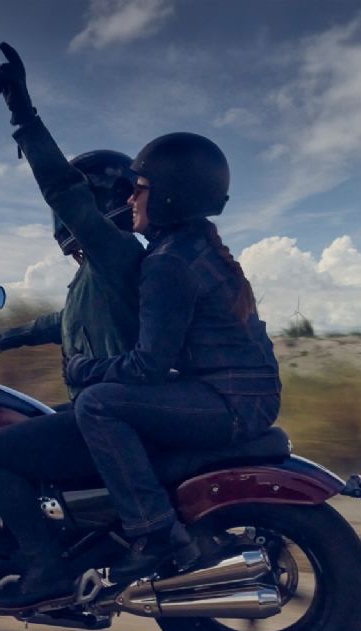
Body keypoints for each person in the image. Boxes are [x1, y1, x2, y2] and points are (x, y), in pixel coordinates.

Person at [0, 43, 145, 611]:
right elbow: (58, 322)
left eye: (77, 209)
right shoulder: (102, 272)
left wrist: (23, 112)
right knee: (36, 424)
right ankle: (66, 544)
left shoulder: (117, 253)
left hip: (113, 416)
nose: (64, 222)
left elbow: (64, 192)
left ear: (99, 205)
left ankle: (44, 569)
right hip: (112, 410)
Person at [67, 132, 282, 583]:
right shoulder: (193, 246)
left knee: (97, 403)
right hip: (248, 396)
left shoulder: (168, 262)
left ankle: (152, 531)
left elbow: (148, 365)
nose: (130, 198)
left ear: (168, 197)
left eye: (139, 187)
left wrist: (87, 369)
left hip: (231, 403)